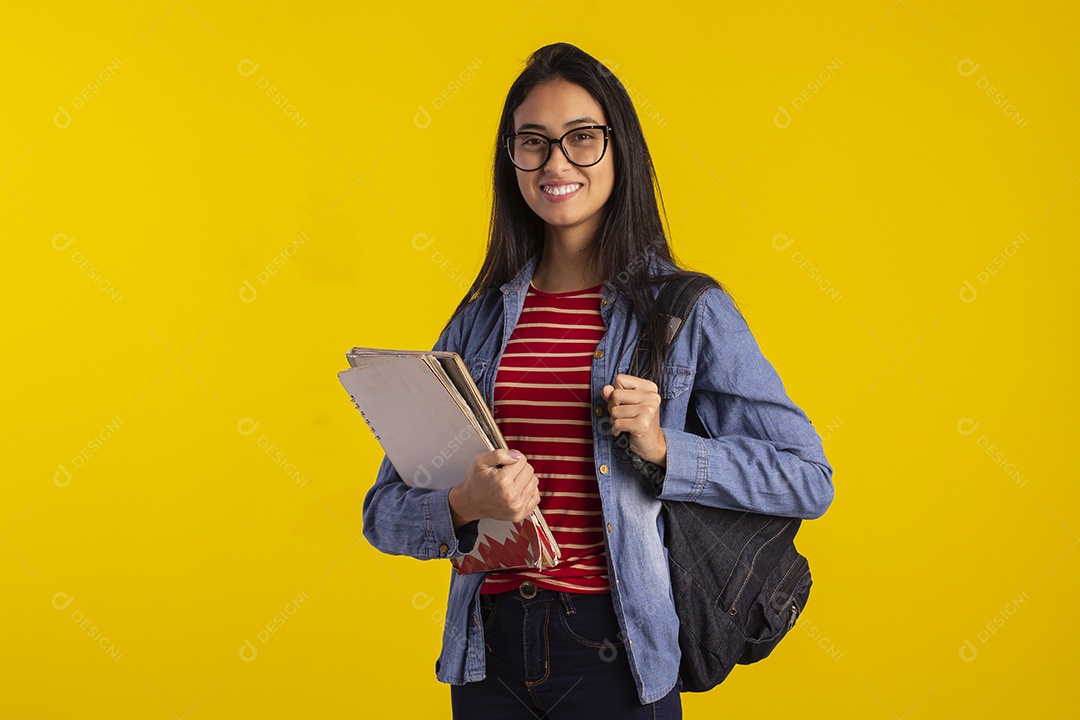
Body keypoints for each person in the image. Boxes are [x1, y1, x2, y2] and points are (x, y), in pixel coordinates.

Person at [362, 42, 834, 719]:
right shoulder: (478, 321)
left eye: (582, 138)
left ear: (621, 150)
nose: (556, 163)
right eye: (533, 142)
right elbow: (382, 514)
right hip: (484, 653)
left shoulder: (687, 312)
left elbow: (807, 477)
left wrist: (667, 448)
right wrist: (465, 503)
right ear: (512, 159)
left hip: (616, 647)